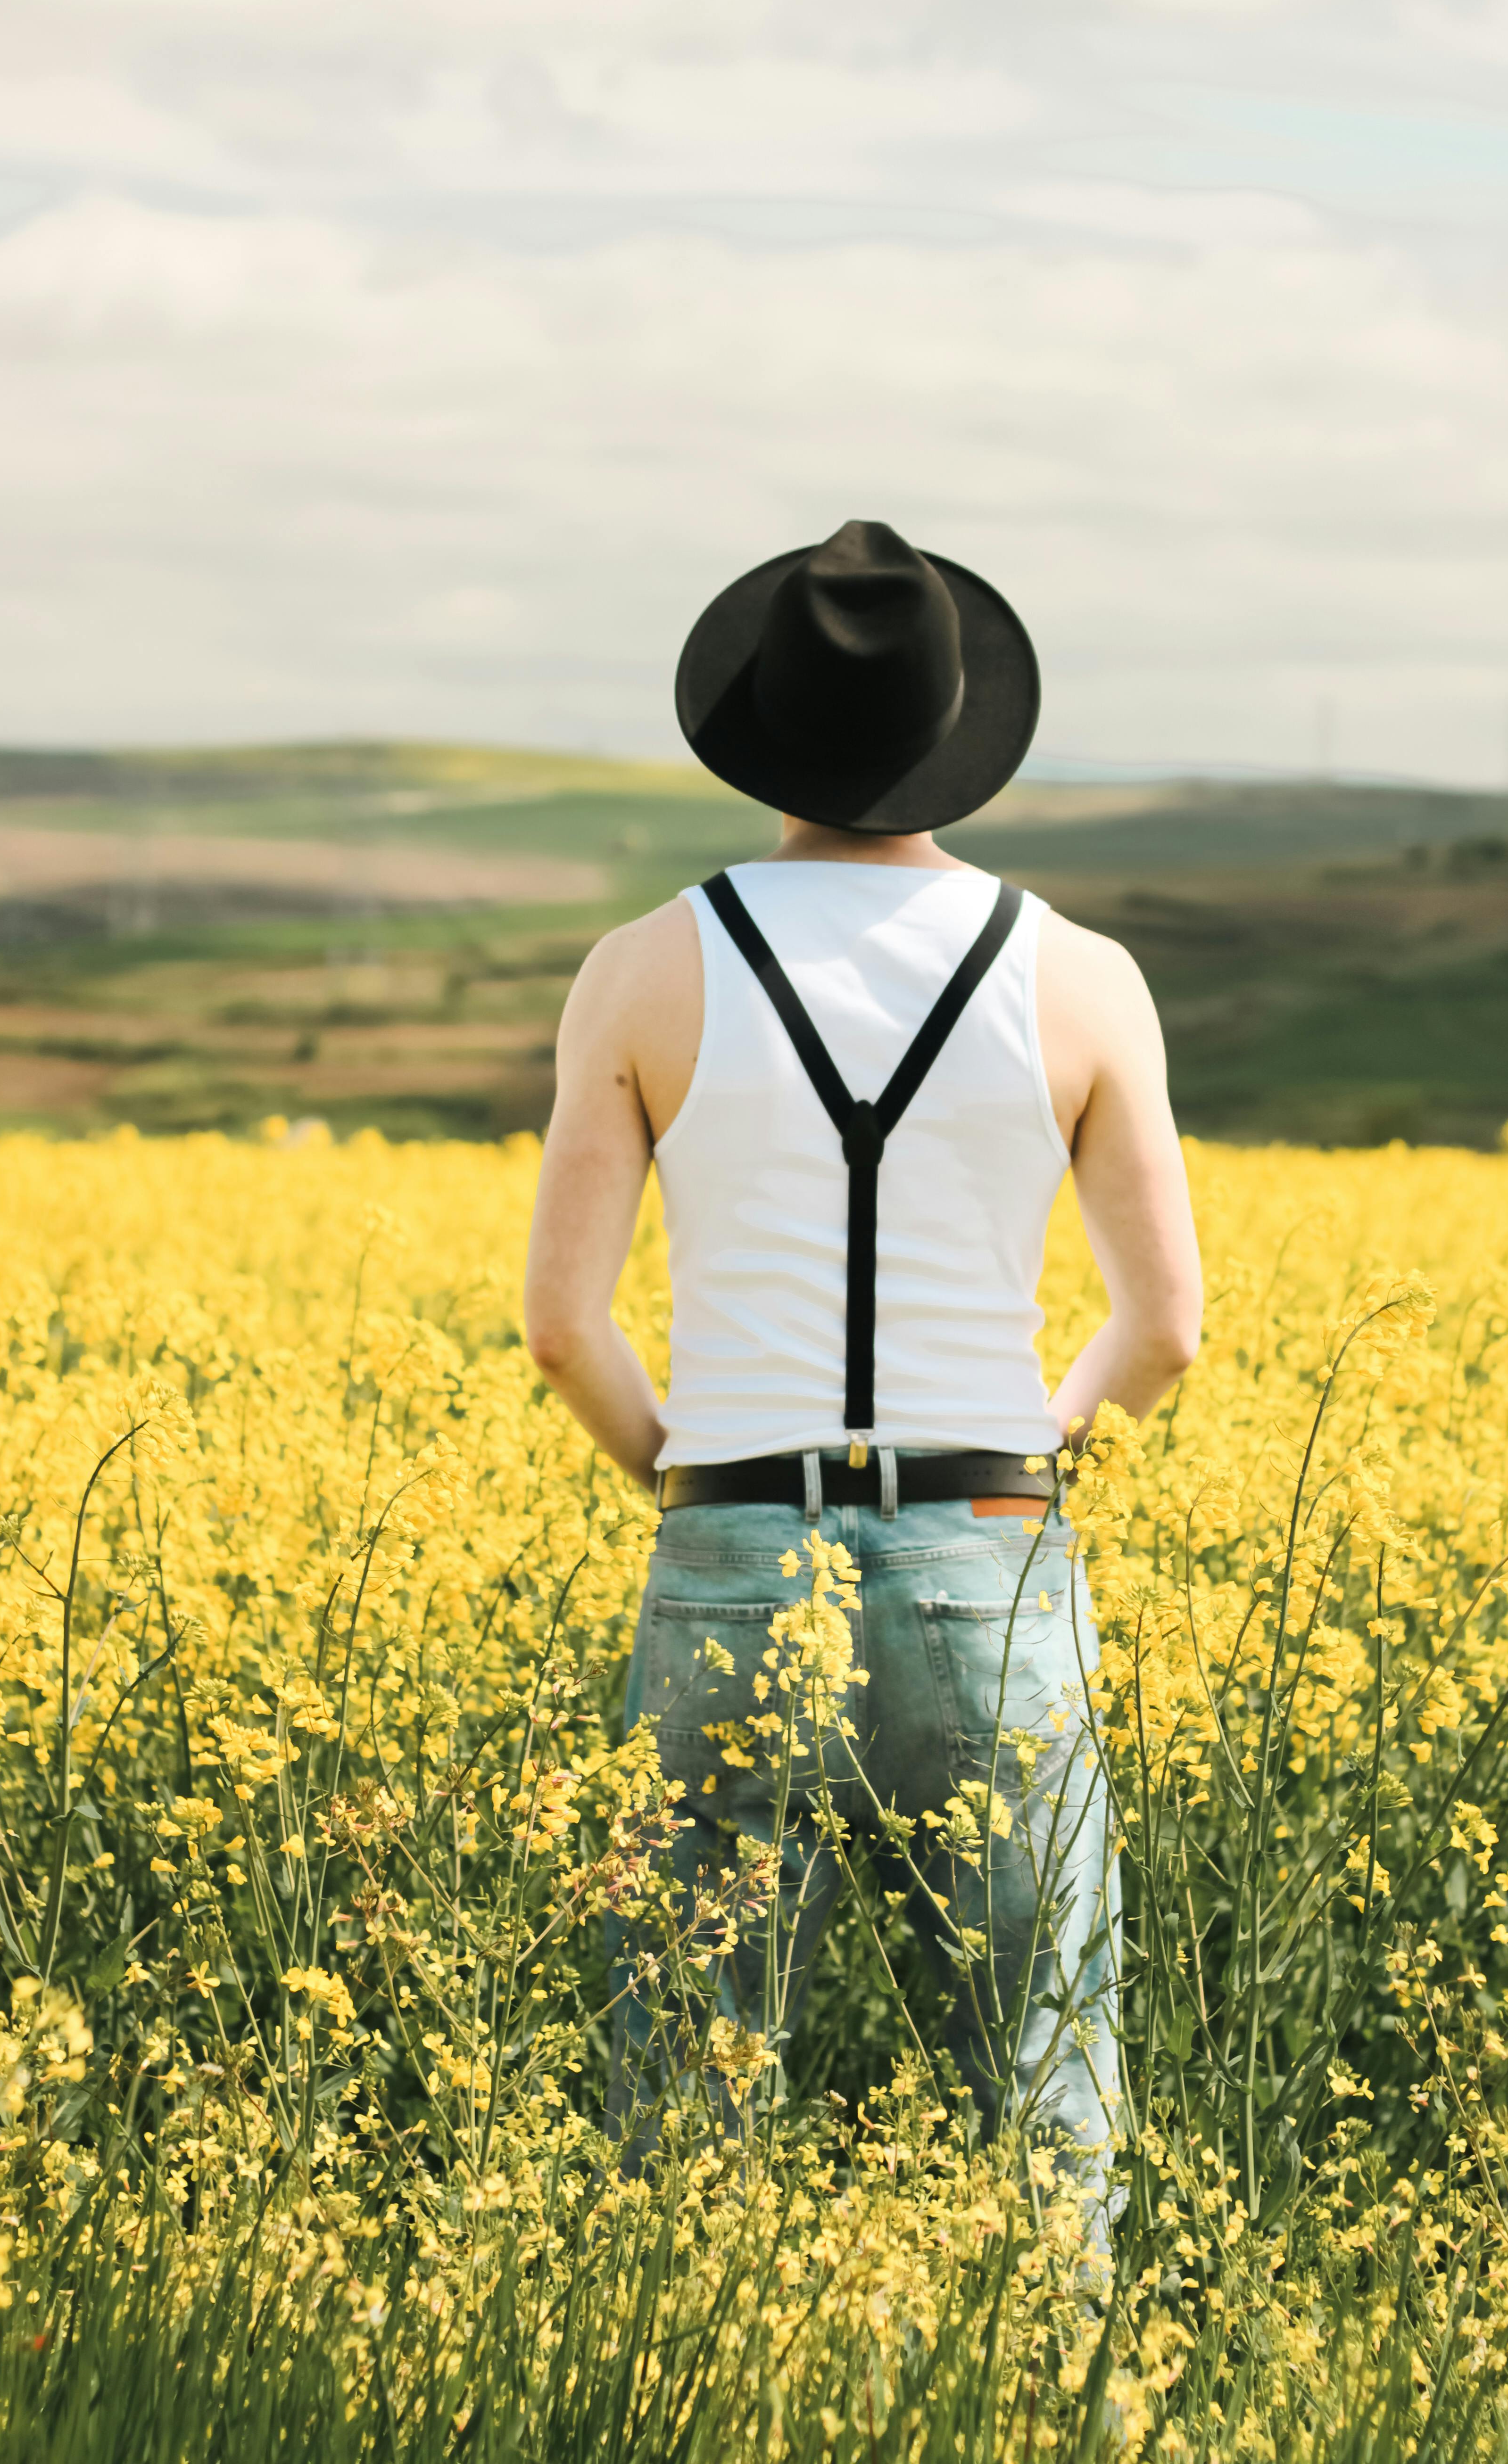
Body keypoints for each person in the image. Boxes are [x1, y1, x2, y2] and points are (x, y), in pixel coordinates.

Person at [523, 519, 1201, 2199]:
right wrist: (1022, 1466)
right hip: (988, 1542)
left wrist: (699, 1486)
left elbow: (563, 1323)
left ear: (762, 726)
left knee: (681, 2088)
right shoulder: (1086, 979)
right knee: (1043, 2074)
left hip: (730, 1537)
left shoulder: (643, 969)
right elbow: (1165, 1326)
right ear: (950, 737)